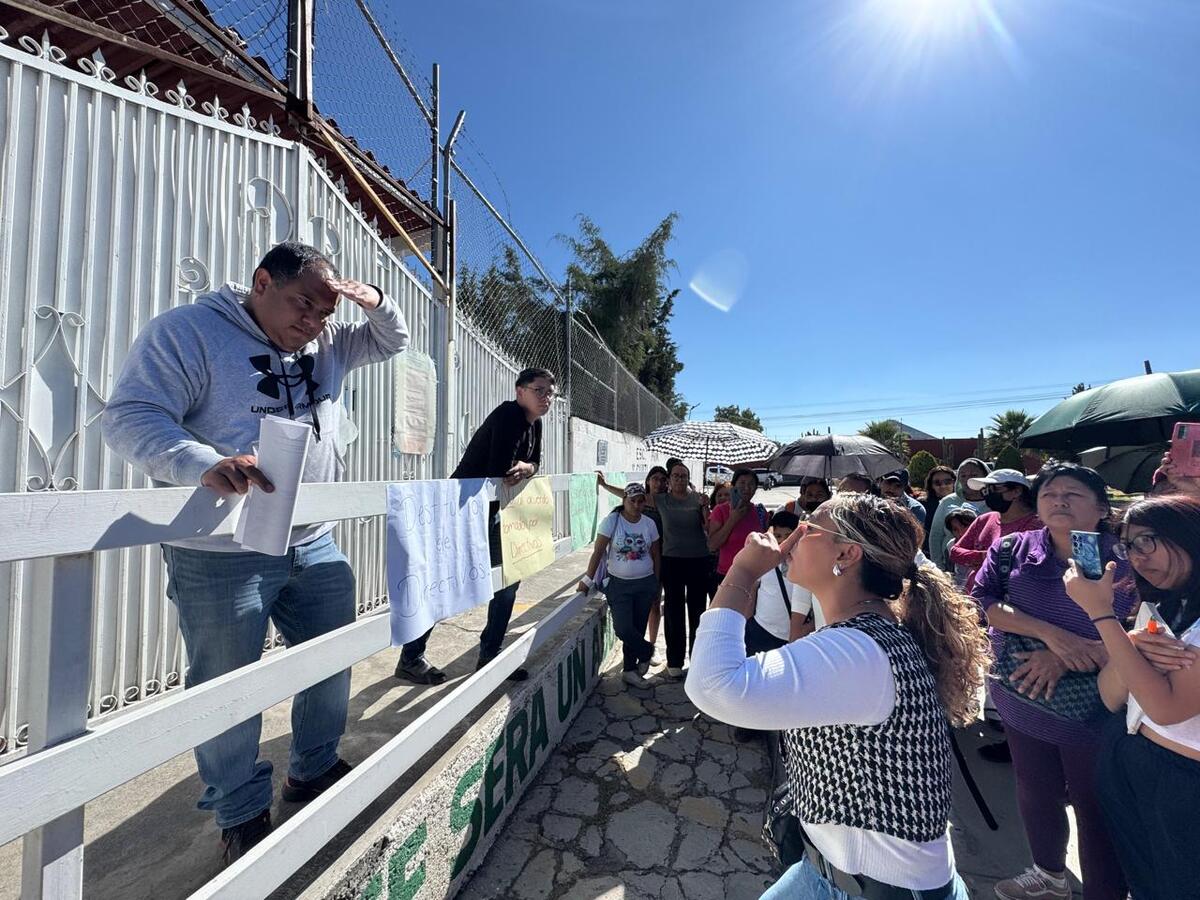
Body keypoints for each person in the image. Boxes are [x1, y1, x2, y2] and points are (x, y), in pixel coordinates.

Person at [101, 242, 409, 863]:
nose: (313, 322)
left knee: (329, 662)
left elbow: (392, 339)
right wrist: (202, 461)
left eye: (325, 313)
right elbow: (130, 416)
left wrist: (374, 299)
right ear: (261, 282)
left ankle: (313, 767)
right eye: (302, 305)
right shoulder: (188, 332)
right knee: (227, 684)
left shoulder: (327, 341)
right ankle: (240, 810)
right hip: (221, 548)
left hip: (312, 538)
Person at [686, 493, 988, 899]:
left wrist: (742, 570)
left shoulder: (859, 651)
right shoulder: (868, 634)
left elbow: (712, 684)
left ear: (846, 554)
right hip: (836, 872)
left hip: (876, 889)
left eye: (810, 526)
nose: (797, 531)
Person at [973, 463, 1135, 900]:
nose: (1059, 500)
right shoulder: (1012, 549)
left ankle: (1105, 892)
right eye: (1049, 493)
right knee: (1035, 790)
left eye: (1072, 493)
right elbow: (985, 600)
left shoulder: (1129, 559)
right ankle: (1048, 875)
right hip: (1023, 697)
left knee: (1095, 805)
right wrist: (1051, 635)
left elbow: (1148, 630)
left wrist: (1068, 656)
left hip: (1098, 707)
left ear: (1102, 508)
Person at [1063, 495, 1200, 900]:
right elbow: (1110, 695)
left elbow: (1167, 709)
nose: (1137, 557)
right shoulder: (1163, 603)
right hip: (1131, 755)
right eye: (1129, 545)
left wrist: (1102, 616)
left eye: (1147, 540)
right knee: (1144, 882)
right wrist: (1132, 643)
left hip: (1184, 779)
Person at [397, 367, 556, 686]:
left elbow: (534, 462)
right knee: (448, 581)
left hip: (495, 509)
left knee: (508, 580)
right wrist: (521, 468)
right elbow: (500, 468)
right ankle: (411, 657)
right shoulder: (509, 415)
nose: (546, 398)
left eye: (551, 393)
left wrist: (527, 467)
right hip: (462, 507)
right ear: (520, 391)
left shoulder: (534, 423)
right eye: (539, 390)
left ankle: (490, 653)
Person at [578, 483, 662, 688]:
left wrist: (656, 582)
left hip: (645, 583)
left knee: (638, 627)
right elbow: (598, 552)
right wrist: (588, 579)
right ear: (624, 500)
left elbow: (656, 554)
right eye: (632, 501)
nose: (636, 505)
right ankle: (646, 651)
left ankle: (630, 670)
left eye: (640, 501)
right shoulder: (612, 521)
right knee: (623, 628)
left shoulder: (649, 523)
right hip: (619, 585)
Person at [600, 466, 669, 650]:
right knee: (630, 617)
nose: (659, 483)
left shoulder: (668, 500)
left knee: (654, 602)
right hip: (632, 560)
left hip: (660, 555)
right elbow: (625, 494)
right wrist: (605, 485)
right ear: (648, 481)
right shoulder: (640, 497)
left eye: (663, 479)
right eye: (655, 478)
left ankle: (651, 644)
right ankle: (641, 648)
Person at [656, 462, 713, 678]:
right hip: (671, 561)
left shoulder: (699, 499)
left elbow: (708, 527)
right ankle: (675, 661)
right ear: (669, 479)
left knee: (698, 611)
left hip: (699, 560)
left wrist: (706, 508)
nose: (680, 479)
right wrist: (605, 485)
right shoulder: (661, 500)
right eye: (676, 476)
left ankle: (697, 660)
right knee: (673, 611)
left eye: (683, 476)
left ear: (688, 478)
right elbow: (631, 496)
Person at [948, 469, 1041, 593]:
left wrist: (986, 557)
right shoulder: (984, 519)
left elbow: (1020, 563)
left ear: (1017, 491)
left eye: (994, 489)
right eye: (985, 490)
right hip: (974, 594)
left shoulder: (1035, 525)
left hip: (1010, 597)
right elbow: (955, 552)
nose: (988, 494)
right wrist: (983, 556)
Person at [706, 468, 768, 586]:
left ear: (756, 488)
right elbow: (712, 545)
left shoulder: (760, 512)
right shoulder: (720, 510)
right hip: (727, 575)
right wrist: (733, 519)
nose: (747, 488)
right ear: (733, 487)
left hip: (754, 576)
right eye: (742, 483)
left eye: (751, 484)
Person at [928, 458, 991, 571]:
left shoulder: (995, 502)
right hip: (951, 565)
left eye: (974, 475)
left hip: (985, 565)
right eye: (963, 475)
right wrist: (938, 567)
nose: (968, 479)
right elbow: (935, 536)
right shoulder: (947, 502)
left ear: (985, 476)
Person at [922, 465, 958, 554]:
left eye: (947, 481)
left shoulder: (964, 503)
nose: (943, 486)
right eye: (937, 483)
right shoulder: (923, 505)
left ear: (955, 482)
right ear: (931, 485)